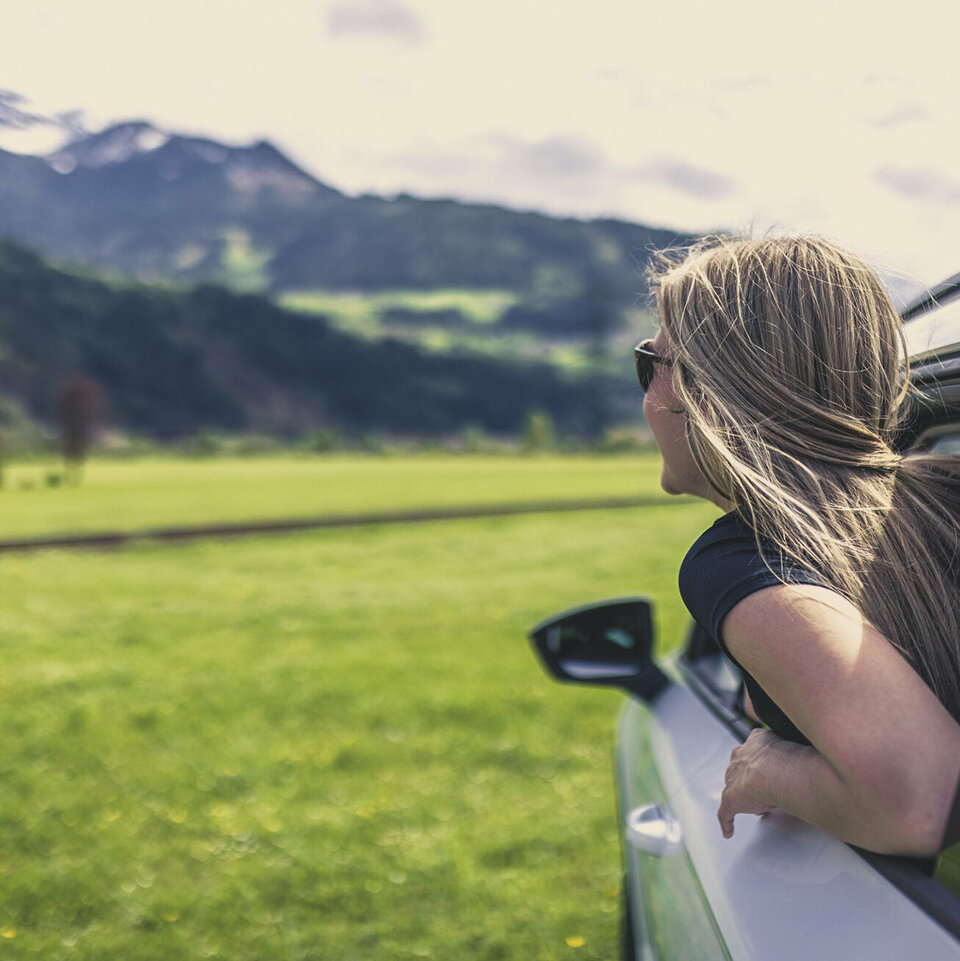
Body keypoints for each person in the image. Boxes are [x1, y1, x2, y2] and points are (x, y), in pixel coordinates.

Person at [638, 235, 960, 858]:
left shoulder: (742, 560)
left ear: (708, 396)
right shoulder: (945, 487)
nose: (645, 396)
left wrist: (770, 770)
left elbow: (921, 801)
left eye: (651, 364)